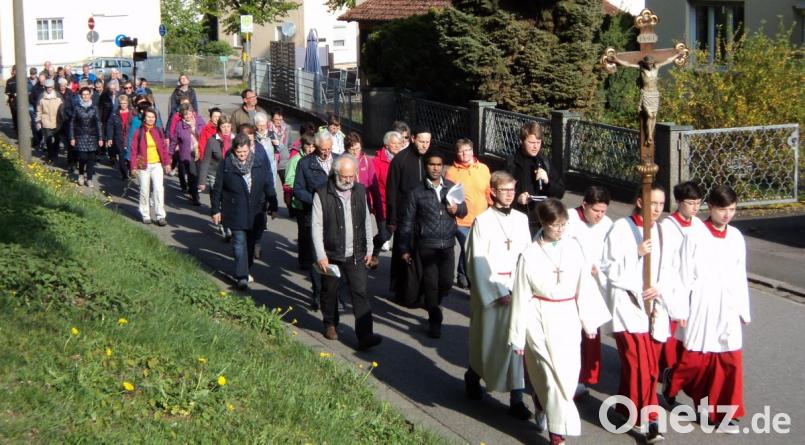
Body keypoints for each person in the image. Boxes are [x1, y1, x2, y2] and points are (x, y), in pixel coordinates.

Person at [509, 199, 611, 445]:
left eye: (564, 225)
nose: (560, 230)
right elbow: (521, 296)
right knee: (550, 377)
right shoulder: (529, 254)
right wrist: (517, 336)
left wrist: (589, 322)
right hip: (538, 318)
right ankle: (558, 436)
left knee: (565, 378)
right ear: (543, 223)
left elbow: (584, 284)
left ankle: (541, 403)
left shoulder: (573, 248)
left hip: (567, 317)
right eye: (555, 225)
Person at [662, 185, 749, 434]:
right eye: (722, 209)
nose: (727, 215)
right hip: (702, 302)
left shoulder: (736, 237)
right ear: (710, 207)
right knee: (696, 361)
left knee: (729, 359)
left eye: (732, 210)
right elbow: (683, 273)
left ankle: (722, 412)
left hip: (728, 305)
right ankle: (673, 381)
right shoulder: (696, 235)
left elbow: (739, 274)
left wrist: (743, 308)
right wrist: (681, 309)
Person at [600, 183, 672, 443]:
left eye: (661, 205)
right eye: (652, 203)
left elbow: (669, 269)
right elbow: (608, 267)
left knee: (649, 365)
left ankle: (623, 409)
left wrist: (659, 288)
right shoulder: (621, 228)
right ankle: (649, 421)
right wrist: (636, 253)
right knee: (640, 366)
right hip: (628, 305)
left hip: (653, 308)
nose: (657, 209)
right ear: (640, 201)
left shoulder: (662, 232)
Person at [464, 171, 532, 419]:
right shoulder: (482, 221)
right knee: (488, 342)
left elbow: (528, 256)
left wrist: (525, 287)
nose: (510, 195)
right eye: (505, 190)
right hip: (491, 291)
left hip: (518, 289)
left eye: (512, 190)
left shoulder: (521, 220)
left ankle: (517, 399)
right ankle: (473, 375)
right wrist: (496, 291)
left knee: (516, 345)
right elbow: (476, 260)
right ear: (492, 192)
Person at [311, 154, 382, 350]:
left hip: (356, 252)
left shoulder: (359, 191)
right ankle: (330, 323)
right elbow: (316, 226)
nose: (349, 180)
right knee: (330, 291)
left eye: (352, 176)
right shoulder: (322, 193)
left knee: (360, 292)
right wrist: (321, 255)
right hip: (331, 253)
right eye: (345, 176)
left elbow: (367, 220)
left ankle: (365, 336)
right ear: (336, 174)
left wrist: (369, 248)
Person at [399, 152, 467, 338]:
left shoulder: (451, 188)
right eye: (432, 164)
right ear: (426, 166)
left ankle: (433, 302)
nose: (436, 168)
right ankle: (434, 318)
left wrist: (457, 209)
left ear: (443, 167)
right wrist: (404, 248)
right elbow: (407, 222)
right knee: (431, 283)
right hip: (427, 245)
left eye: (439, 164)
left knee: (445, 282)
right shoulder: (417, 192)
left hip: (447, 245)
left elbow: (464, 210)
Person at [210, 134, 278, 290]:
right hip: (235, 210)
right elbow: (217, 189)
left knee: (251, 243)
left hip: (256, 211)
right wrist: (215, 210)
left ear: (249, 149)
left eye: (245, 152)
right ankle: (242, 276)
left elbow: (268, 185)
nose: (242, 156)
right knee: (239, 242)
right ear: (234, 150)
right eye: (239, 152)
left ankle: (245, 268)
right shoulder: (227, 165)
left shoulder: (259, 163)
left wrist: (273, 205)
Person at [565, 185, 614, 397]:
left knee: (591, 332)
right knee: (571, 334)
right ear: (584, 205)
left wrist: (600, 269)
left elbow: (611, 255)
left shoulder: (608, 225)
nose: (600, 216)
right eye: (596, 211)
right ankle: (570, 377)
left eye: (603, 211)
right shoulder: (568, 219)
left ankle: (586, 376)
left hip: (593, 285)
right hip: (570, 285)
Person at [657, 181, 705, 376]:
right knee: (672, 326)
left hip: (694, 283)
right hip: (674, 282)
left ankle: (684, 365)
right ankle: (667, 367)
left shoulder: (699, 225)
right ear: (678, 202)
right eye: (690, 203)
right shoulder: (667, 227)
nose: (695, 207)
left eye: (698, 203)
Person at [386, 126, 432, 306]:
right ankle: (402, 292)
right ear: (413, 138)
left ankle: (421, 292)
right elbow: (392, 191)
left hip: (425, 217)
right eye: (421, 141)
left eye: (428, 142)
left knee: (422, 255)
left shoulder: (430, 159)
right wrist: (392, 219)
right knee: (403, 255)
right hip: (405, 217)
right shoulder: (400, 160)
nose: (425, 145)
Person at [294, 131, 339, 310]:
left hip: (335, 219)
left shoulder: (338, 160)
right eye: (322, 149)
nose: (325, 152)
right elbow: (298, 189)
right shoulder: (305, 164)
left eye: (329, 149)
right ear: (316, 146)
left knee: (334, 258)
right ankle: (318, 294)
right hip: (314, 218)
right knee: (318, 259)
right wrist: (316, 200)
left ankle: (333, 294)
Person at [445, 138, 491, 289]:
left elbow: (488, 191)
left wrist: (492, 207)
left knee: (471, 248)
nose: (464, 153)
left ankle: (462, 274)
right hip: (461, 219)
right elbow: (448, 195)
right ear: (456, 153)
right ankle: (470, 277)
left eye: (467, 150)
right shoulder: (451, 172)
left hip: (481, 219)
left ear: (472, 151)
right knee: (469, 245)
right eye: (460, 150)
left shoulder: (483, 168)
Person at [508, 122, 565, 235]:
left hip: (543, 222)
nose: (535, 146)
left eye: (538, 143)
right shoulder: (511, 163)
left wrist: (548, 181)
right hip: (520, 220)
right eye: (531, 142)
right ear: (522, 141)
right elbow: (498, 193)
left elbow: (560, 192)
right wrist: (516, 199)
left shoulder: (544, 162)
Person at [367, 131, 403, 268]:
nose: (397, 146)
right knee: (385, 235)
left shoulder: (402, 159)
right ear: (386, 145)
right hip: (382, 205)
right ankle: (373, 252)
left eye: (399, 143)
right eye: (394, 143)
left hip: (399, 206)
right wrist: (370, 203)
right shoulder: (376, 162)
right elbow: (372, 184)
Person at [130, 108, 172, 226]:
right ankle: (145, 214)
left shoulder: (158, 131)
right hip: (143, 165)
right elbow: (133, 150)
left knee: (159, 189)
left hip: (157, 164)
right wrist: (133, 166)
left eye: (153, 117)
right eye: (148, 117)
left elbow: (163, 148)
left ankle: (160, 216)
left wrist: (167, 163)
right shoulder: (138, 132)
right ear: (144, 118)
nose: (151, 119)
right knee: (144, 189)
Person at [199, 116, 236, 240]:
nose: (226, 129)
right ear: (219, 127)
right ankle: (224, 225)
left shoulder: (235, 140)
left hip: (231, 174)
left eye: (228, 126)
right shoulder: (212, 141)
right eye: (223, 126)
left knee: (230, 200)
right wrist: (202, 181)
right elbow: (206, 161)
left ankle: (230, 223)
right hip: (215, 174)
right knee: (218, 198)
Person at [285, 133, 317, 267]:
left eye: (312, 146)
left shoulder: (316, 159)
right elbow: (289, 180)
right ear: (302, 146)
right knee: (304, 232)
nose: (310, 149)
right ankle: (304, 260)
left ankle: (313, 257)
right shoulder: (295, 160)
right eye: (307, 146)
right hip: (299, 202)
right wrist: (300, 186)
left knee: (313, 232)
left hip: (314, 202)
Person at [170, 107, 206, 206]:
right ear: (182, 116)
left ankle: (192, 190)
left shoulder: (200, 121)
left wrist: (194, 129)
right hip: (187, 153)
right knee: (192, 173)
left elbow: (204, 135)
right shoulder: (179, 125)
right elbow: (174, 141)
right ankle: (195, 197)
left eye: (189, 113)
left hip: (200, 151)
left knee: (198, 175)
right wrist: (170, 155)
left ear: (193, 113)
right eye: (185, 114)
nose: (188, 116)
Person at [69, 87, 104, 187]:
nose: (85, 96)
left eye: (87, 94)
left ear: (90, 95)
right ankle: (80, 174)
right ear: (80, 96)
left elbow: (98, 123)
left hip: (92, 137)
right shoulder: (77, 108)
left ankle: (89, 179)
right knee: (82, 157)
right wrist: (72, 137)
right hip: (80, 136)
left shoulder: (94, 108)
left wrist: (100, 138)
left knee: (91, 159)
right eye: (83, 94)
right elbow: (72, 123)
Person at [35, 79, 64, 164]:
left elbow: (63, 108)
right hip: (46, 121)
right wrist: (38, 121)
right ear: (45, 87)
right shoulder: (41, 97)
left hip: (57, 121)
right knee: (48, 140)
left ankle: (55, 154)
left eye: (50, 87)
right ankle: (51, 156)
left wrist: (63, 120)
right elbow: (38, 110)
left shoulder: (58, 96)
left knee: (57, 139)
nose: (49, 89)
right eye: (47, 87)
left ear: (53, 87)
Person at [106, 94, 134, 180]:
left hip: (130, 138)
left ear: (128, 103)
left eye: (125, 103)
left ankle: (130, 170)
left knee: (129, 156)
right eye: (121, 103)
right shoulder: (115, 114)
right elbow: (110, 126)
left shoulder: (133, 113)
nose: (123, 105)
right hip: (119, 138)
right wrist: (110, 138)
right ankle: (124, 173)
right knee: (121, 157)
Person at [267, 109, 290, 182]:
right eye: (276, 119)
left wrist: (287, 154)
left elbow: (289, 144)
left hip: (284, 161)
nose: (278, 121)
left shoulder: (287, 128)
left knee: (286, 185)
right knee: (271, 185)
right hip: (272, 160)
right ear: (272, 118)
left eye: (280, 119)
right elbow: (277, 146)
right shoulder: (268, 129)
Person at [4, 65, 17, 131]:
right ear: (13, 71)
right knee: (14, 115)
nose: (16, 72)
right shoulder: (9, 81)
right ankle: (16, 129)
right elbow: (7, 92)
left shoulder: (23, 79)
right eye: (14, 70)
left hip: (22, 101)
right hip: (13, 101)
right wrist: (13, 94)